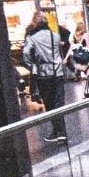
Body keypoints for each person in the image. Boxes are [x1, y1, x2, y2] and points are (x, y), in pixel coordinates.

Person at [21, 12, 68, 143]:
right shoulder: (56, 36)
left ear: (35, 23)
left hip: (43, 74)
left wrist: (32, 65)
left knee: (49, 103)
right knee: (59, 102)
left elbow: (25, 53)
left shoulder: (33, 38)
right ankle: (60, 132)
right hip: (57, 72)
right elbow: (58, 50)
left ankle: (58, 131)